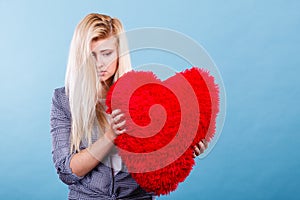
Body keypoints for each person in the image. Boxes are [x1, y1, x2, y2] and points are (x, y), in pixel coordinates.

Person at [50, 13, 208, 200]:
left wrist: (185, 146)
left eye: (107, 53)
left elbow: (158, 156)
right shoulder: (63, 100)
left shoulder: (143, 94)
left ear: (119, 53)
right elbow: (66, 172)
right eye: (92, 55)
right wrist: (110, 136)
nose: (100, 64)